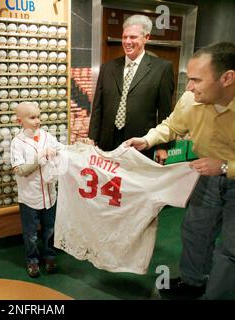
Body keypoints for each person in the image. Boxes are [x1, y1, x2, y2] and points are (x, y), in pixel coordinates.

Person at [126, 42, 235, 300]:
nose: (189, 87)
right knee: (195, 230)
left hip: (225, 172)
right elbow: (171, 126)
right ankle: (192, 282)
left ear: (227, 78)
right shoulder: (190, 100)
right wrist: (148, 140)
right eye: (188, 78)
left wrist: (224, 166)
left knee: (230, 248)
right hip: (207, 177)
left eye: (196, 79)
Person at [88, 14, 174, 163]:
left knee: (135, 184)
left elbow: (165, 111)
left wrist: (162, 146)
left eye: (133, 37)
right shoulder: (108, 67)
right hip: (107, 141)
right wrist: (92, 138)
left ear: (146, 37)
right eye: (124, 37)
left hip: (140, 143)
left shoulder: (162, 68)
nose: (127, 42)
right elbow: (98, 107)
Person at [10, 102, 63, 278]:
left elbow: (63, 153)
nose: (37, 121)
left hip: (50, 195)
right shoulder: (17, 143)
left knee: (50, 230)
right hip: (29, 198)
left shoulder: (48, 137)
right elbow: (20, 170)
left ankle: (49, 256)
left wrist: (58, 153)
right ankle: (32, 260)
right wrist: (38, 159)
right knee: (31, 234)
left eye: (38, 117)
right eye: (32, 118)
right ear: (20, 121)